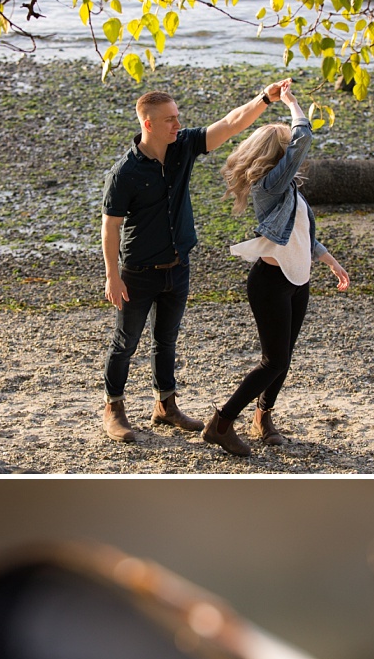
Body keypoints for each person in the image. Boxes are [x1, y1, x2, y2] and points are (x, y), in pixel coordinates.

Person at [99, 79, 295, 443]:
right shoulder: (124, 173)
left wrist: (266, 98)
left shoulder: (183, 146)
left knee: (166, 340)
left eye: (177, 117)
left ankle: (165, 406)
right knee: (126, 342)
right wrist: (113, 275)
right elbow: (110, 227)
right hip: (137, 272)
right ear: (148, 124)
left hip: (178, 265)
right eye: (170, 119)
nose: (178, 124)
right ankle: (114, 408)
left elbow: (232, 122)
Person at [202, 82, 351, 457]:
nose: (293, 156)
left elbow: (298, 234)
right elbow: (302, 141)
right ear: (278, 153)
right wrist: (292, 104)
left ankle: (262, 416)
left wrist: (330, 261)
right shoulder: (269, 185)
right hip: (270, 283)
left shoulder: (289, 192)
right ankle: (220, 422)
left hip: (298, 281)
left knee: (284, 357)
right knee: (274, 361)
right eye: (287, 150)